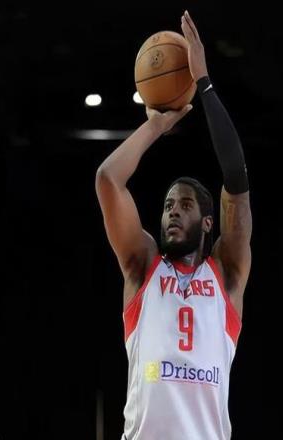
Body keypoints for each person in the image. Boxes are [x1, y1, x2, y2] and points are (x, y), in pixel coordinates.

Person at [95, 10, 251, 440]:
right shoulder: (143, 265)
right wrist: (155, 125)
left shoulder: (227, 273)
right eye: (167, 206)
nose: (172, 212)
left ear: (208, 222)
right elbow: (108, 180)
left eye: (184, 205)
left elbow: (236, 179)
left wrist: (204, 84)